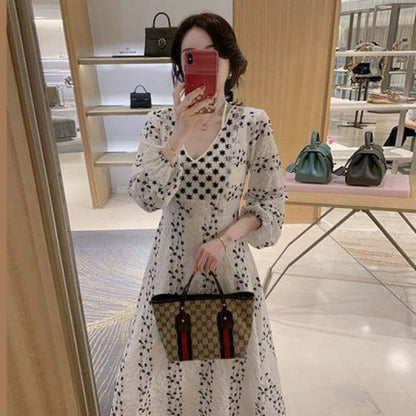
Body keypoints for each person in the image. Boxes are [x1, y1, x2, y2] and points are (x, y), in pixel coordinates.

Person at [110, 12, 287, 416]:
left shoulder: (252, 123)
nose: (204, 64)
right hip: (172, 264)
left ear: (230, 64)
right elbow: (146, 197)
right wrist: (178, 134)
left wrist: (225, 239)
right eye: (190, 57)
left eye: (212, 54)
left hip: (229, 264)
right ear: (180, 67)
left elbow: (271, 201)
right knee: (170, 353)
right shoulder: (159, 123)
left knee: (229, 350)